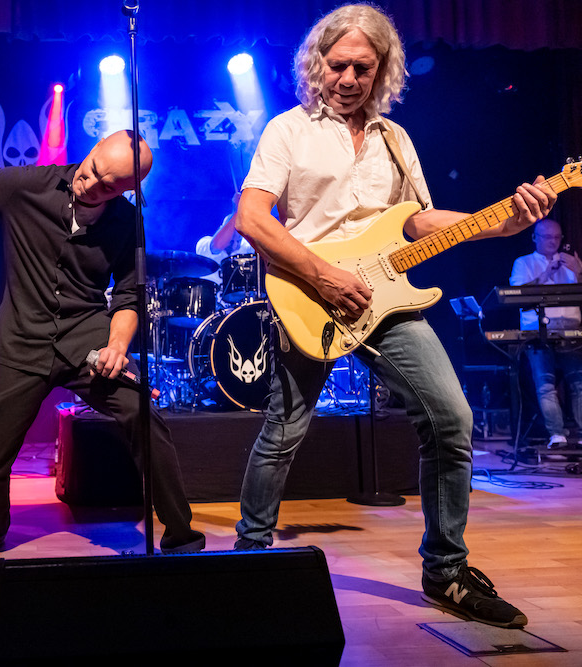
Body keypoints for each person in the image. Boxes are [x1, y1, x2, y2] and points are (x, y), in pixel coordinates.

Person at [233, 4, 555, 629]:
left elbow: (417, 221)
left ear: (382, 71)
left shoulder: (395, 140)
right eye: (338, 65)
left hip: (384, 299)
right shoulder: (287, 130)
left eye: (363, 67)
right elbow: (251, 218)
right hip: (308, 295)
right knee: (283, 432)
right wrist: (323, 274)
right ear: (316, 64)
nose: (349, 78)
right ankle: (250, 559)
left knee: (452, 419)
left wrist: (502, 224)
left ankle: (447, 571)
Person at [0, 130, 206, 555]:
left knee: (143, 415)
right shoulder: (29, 186)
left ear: (128, 189)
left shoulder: (128, 222)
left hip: (87, 339)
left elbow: (129, 296)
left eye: (108, 185)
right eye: (92, 171)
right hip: (22, 340)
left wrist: (117, 346)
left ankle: (181, 538)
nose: (91, 185)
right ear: (91, 150)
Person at [510, 218, 582, 449]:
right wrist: (545, 274)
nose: (553, 241)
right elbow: (516, 295)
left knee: (578, 382)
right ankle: (557, 434)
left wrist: (579, 272)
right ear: (534, 238)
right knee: (545, 384)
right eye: (547, 237)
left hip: (570, 328)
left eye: (557, 237)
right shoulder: (523, 262)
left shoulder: (572, 261)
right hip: (537, 329)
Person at [195, 190, 255, 285]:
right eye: (231, 241)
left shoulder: (246, 246)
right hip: (211, 294)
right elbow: (218, 245)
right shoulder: (204, 243)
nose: (234, 245)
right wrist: (237, 212)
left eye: (238, 241)